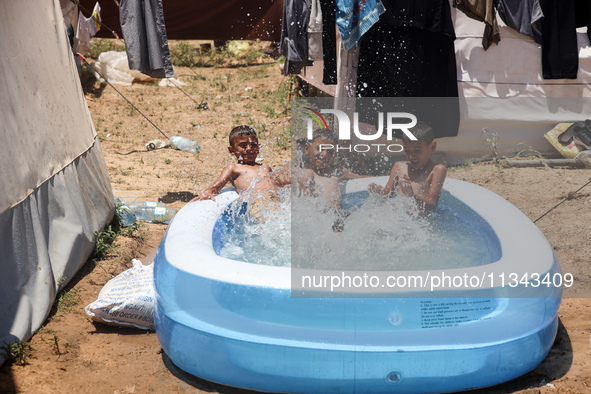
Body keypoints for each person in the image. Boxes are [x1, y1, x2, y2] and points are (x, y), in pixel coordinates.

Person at [368, 122, 447, 212]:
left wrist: (412, 195)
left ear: (433, 147)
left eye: (417, 150)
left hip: (416, 223)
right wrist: (380, 192)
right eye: (407, 150)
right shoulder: (399, 167)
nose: (411, 156)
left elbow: (432, 206)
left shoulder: (437, 170)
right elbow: (387, 196)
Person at [191, 125, 273, 201]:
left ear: (258, 147)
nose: (249, 149)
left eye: (253, 145)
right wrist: (208, 192)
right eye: (243, 145)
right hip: (257, 205)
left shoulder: (265, 167)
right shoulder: (233, 168)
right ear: (232, 150)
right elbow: (215, 186)